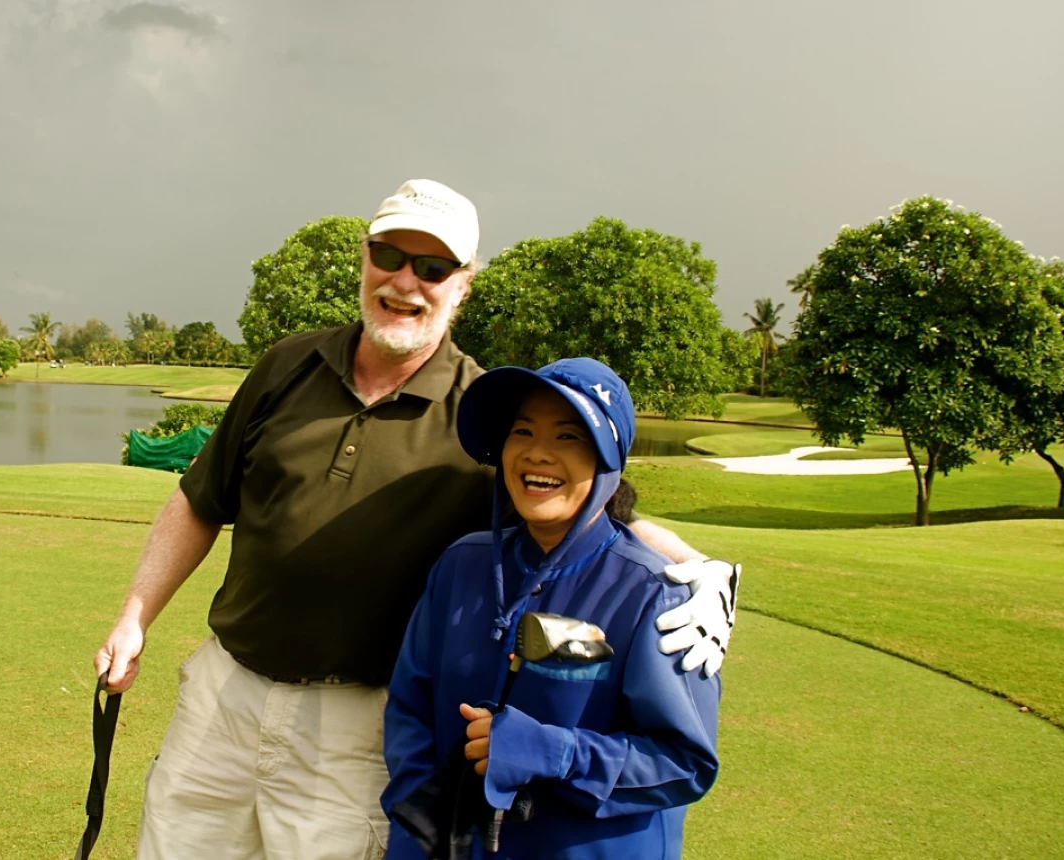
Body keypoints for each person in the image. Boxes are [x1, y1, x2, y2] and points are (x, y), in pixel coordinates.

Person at [94, 179, 738, 859]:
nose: (406, 281)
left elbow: (584, 501)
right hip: (225, 689)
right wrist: (136, 616)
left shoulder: (481, 417)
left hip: (350, 724)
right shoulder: (287, 364)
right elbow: (201, 498)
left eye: (432, 268)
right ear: (365, 258)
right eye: (390, 255)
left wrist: (695, 574)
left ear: (463, 285)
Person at [382, 358, 719, 859]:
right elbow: (410, 709)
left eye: (569, 437)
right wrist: (424, 812)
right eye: (523, 431)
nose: (539, 454)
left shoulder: (653, 592)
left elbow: (682, 763)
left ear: (608, 461)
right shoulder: (460, 565)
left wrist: (554, 753)